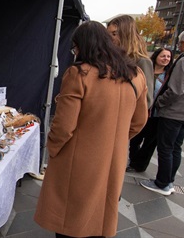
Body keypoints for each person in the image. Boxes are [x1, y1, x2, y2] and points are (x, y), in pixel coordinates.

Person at [34, 21, 148, 238]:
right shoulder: (136, 75)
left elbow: (64, 125)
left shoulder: (80, 73)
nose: (74, 52)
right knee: (101, 214)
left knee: (71, 219)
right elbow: (139, 121)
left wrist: (53, 149)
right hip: (114, 159)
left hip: (78, 160)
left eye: (74, 47)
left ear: (82, 46)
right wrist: (116, 139)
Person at [140, 29, 184, 195]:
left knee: (166, 148)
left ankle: (162, 183)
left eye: (179, 43)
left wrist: (159, 103)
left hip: (174, 112)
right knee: (176, 148)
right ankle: (169, 181)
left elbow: (175, 90)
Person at [126, 48, 173, 172]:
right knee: (136, 138)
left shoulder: (168, 75)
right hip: (143, 110)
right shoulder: (146, 69)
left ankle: (140, 165)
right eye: (163, 56)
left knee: (150, 142)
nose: (166, 59)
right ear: (156, 56)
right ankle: (133, 160)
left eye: (168, 57)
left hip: (157, 113)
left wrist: (159, 103)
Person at [107, 15, 154, 108]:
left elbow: (146, 100)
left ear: (126, 34)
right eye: (108, 34)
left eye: (114, 34)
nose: (110, 38)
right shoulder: (110, 58)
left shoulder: (142, 61)